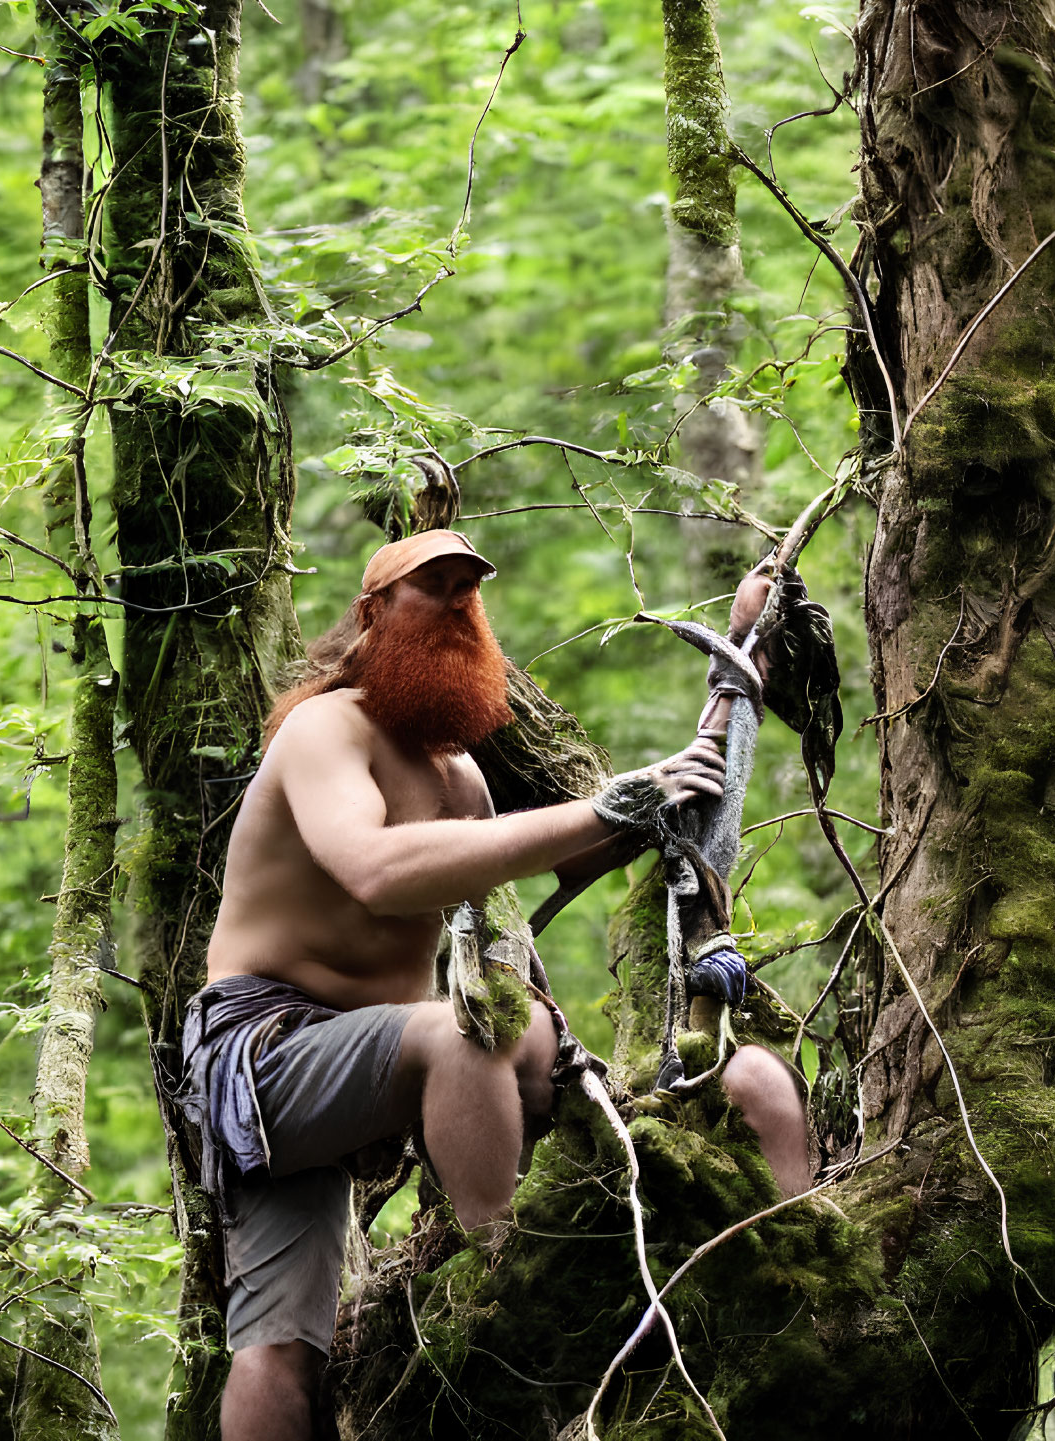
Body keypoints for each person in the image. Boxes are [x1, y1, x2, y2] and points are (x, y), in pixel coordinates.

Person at [179, 529, 810, 1441]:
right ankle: (499, 1284)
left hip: (366, 1057)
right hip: (264, 1056)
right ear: (371, 614)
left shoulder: (460, 776)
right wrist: (597, 804)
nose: (453, 608)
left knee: (518, 1043)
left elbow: (568, 854)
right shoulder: (327, 728)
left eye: (467, 594)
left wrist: (726, 692)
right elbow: (376, 869)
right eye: (429, 590)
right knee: (281, 1337)